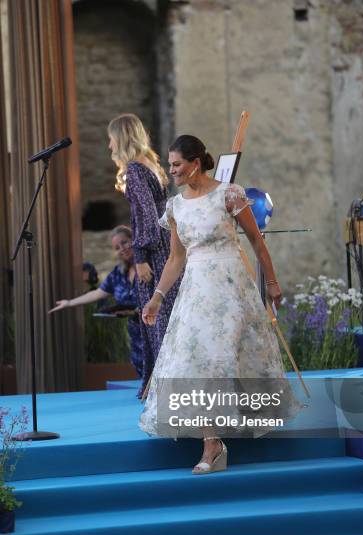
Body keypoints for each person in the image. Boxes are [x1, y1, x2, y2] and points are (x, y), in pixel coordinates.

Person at [141, 135, 302, 475]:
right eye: (170, 165)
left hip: (231, 288)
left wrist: (272, 283)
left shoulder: (229, 194)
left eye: (176, 164)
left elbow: (258, 243)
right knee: (194, 361)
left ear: (195, 163)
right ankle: (211, 442)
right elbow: (175, 258)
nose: (171, 171)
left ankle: (218, 440)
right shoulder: (176, 206)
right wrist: (156, 298)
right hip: (196, 292)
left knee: (226, 359)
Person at [107, 113, 180, 397]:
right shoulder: (150, 164)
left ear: (122, 138)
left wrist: (139, 256)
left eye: (111, 140)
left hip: (154, 252)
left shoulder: (135, 171)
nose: (109, 146)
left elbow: (146, 216)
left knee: (156, 319)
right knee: (166, 316)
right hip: (165, 244)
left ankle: (166, 392)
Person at [49, 226, 143, 378]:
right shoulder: (118, 274)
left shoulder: (149, 266)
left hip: (154, 330)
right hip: (136, 334)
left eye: (125, 242)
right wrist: (69, 303)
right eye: (117, 247)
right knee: (143, 375)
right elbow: (99, 293)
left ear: (134, 239)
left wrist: (134, 311)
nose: (122, 249)